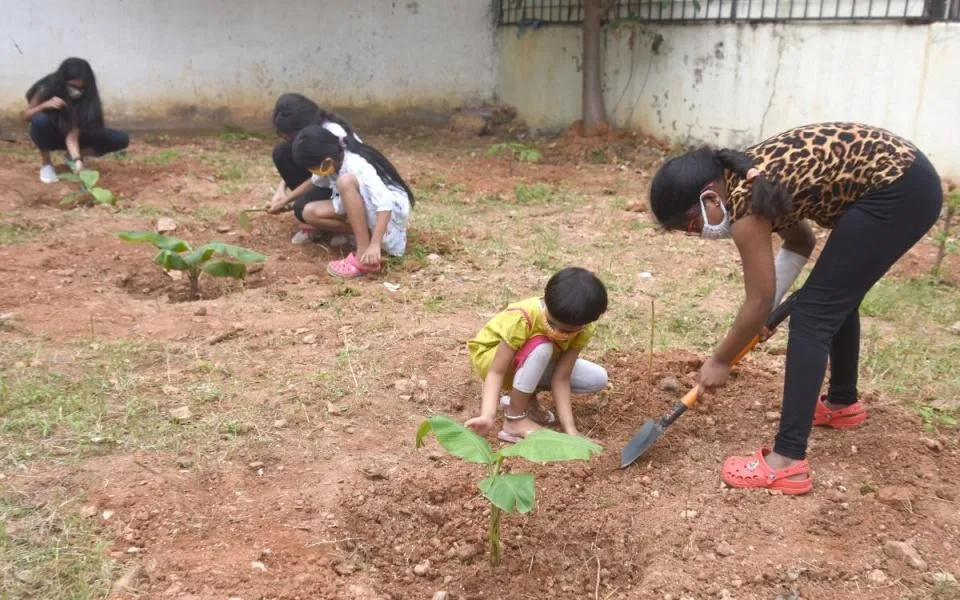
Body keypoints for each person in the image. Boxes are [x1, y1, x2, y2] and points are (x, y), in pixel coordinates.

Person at [648, 122, 943, 495]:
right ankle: (841, 403)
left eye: (690, 226)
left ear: (709, 198)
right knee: (832, 293)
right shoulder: (751, 177)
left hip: (898, 190)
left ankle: (786, 461)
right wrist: (766, 312)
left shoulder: (746, 205)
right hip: (906, 179)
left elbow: (756, 300)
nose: (695, 234)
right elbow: (801, 240)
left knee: (813, 313)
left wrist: (721, 359)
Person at [465, 267, 609, 442]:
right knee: (543, 347)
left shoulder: (584, 327)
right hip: (491, 360)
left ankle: (525, 401)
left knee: (596, 378)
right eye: (552, 323)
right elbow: (496, 371)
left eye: (567, 330)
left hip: (531, 361)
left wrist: (571, 432)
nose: (558, 332)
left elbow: (561, 377)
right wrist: (487, 415)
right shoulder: (523, 317)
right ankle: (514, 420)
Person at [270, 124, 413, 278]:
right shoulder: (334, 160)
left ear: (326, 161)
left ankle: (363, 256)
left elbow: (385, 203)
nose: (312, 171)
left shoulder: (357, 165)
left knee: (345, 182)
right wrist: (284, 201)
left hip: (387, 216)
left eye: (312, 167)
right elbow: (314, 181)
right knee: (309, 212)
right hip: (369, 209)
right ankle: (364, 234)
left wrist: (375, 244)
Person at [269, 93, 362, 245]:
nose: (289, 140)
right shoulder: (313, 132)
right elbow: (314, 171)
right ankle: (322, 219)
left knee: (301, 209)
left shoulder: (331, 135)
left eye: (291, 136)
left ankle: (350, 227)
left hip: (344, 186)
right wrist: (281, 190)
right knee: (282, 152)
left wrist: (286, 201)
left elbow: (318, 179)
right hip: (327, 179)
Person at [22, 58, 129, 184]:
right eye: (72, 86)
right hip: (50, 135)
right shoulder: (47, 87)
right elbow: (26, 116)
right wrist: (43, 106)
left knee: (120, 138)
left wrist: (77, 159)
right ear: (63, 81)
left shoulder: (87, 96)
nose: (76, 91)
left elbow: (73, 132)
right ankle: (47, 164)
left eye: (80, 87)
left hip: (75, 137)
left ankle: (71, 156)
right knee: (40, 120)